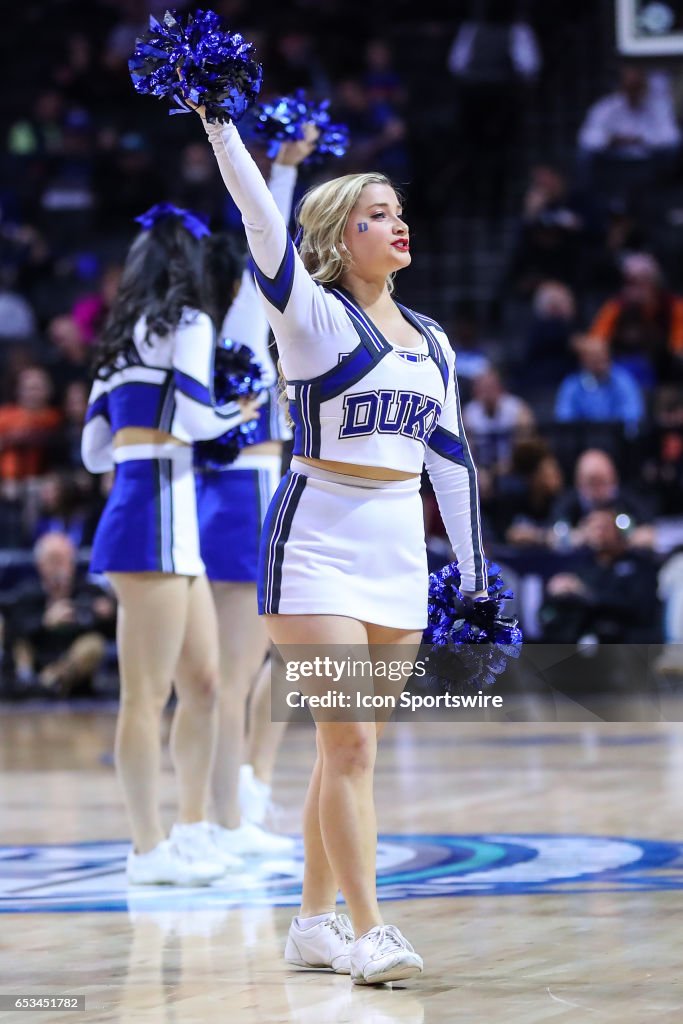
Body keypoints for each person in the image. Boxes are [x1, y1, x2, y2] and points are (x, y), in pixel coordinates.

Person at [196, 97, 486, 984]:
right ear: (336, 234)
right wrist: (219, 127)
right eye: (375, 215)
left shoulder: (432, 340)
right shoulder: (310, 317)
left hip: (399, 552)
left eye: (398, 212)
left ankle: (310, 924)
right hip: (315, 540)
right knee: (350, 744)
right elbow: (257, 219)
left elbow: (450, 461)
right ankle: (370, 932)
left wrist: (473, 578)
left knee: (344, 748)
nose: (396, 225)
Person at [81, 203, 260, 886]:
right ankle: (147, 848)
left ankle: (189, 831)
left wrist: (141, 434)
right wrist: (236, 415)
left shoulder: (118, 347)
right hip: (153, 522)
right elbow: (192, 414)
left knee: (205, 685)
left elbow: (93, 452)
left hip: (158, 514)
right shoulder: (190, 323)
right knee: (147, 696)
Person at [185, 137, 317, 859]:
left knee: (277, 667)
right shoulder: (238, 317)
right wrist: (286, 170)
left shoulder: (270, 327)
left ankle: (249, 795)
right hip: (242, 498)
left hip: (265, 495)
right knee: (234, 676)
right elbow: (264, 222)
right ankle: (223, 819)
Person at [4, 531, 115, 697]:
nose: (61, 567)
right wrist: (44, 622)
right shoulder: (27, 593)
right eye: (54, 560)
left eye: (66, 559)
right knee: (19, 643)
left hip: (72, 669)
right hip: (36, 658)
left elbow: (110, 631)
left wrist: (106, 614)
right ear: (40, 564)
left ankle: (50, 682)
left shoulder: (89, 592)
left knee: (93, 644)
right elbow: (12, 630)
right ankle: (28, 682)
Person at [589, 252, 683, 388]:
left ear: (655, 282)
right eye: (630, 282)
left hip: (665, 370)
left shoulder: (673, 305)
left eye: (642, 281)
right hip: (622, 368)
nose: (635, 288)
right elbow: (596, 341)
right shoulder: (616, 306)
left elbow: (679, 345)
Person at [554, 334, 645, 428]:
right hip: (583, 439)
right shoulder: (572, 384)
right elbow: (564, 417)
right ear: (582, 359)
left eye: (601, 354)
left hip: (617, 439)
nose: (598, 359)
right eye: (592, 355)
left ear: (609, 355)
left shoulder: (623, 380)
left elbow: (632, 416)